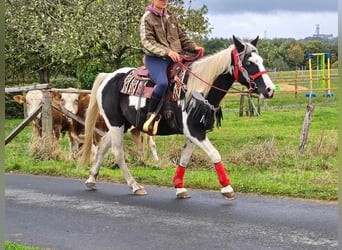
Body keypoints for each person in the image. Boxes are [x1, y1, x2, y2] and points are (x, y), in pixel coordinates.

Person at [140, 0, 204, 133]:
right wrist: (167, 52)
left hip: (175, 58)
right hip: (156, 59)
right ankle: (150, 115)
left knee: (193, 77)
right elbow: (147, 42)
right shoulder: (147, 18)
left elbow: (182, 37)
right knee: (163, 83)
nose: (164, 1)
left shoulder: (171, 17)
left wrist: (194, 47)